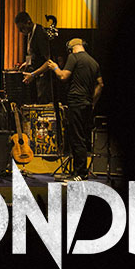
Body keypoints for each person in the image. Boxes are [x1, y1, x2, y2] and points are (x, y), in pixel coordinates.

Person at [47, 38, 103, 180]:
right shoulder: (93, 62)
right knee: (82, 138)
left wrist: (54, 67)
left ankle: (80, 173)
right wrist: (93, 102)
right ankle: (79, 171)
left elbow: (63, 76)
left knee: (76, 138)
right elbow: (100, 85)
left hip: (76, 102)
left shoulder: (74, 57)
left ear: (71, 48)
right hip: (86, 103)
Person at [16, 11, 53, 103]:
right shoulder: (30, 33)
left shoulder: (40, 33)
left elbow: (48, 61)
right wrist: (26, 63)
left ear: (28, 22)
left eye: (22, 28)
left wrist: (32, 75)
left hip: (43, 77)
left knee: (42, 102)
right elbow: (31, 53)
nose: (21, 31)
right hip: (37, 76)